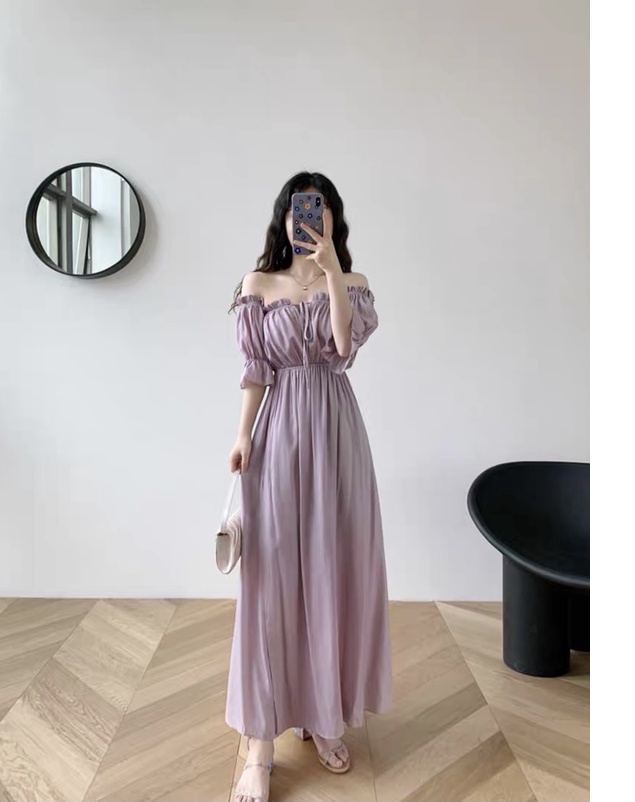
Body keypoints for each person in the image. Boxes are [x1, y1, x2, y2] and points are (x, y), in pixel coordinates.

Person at [226, 172, 392, 802]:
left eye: (319, 209)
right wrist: (243, 436)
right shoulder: (258, 285)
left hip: (336, 433)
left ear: (331, 218)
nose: (309, 218)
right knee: (269, 579)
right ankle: (261, 745)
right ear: (286, 215)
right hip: (276, 437)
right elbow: (256, 371)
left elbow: (344, 348)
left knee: (332, 570)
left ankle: (324, 717)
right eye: (301, 209)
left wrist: (331, 272)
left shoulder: (351, 281)